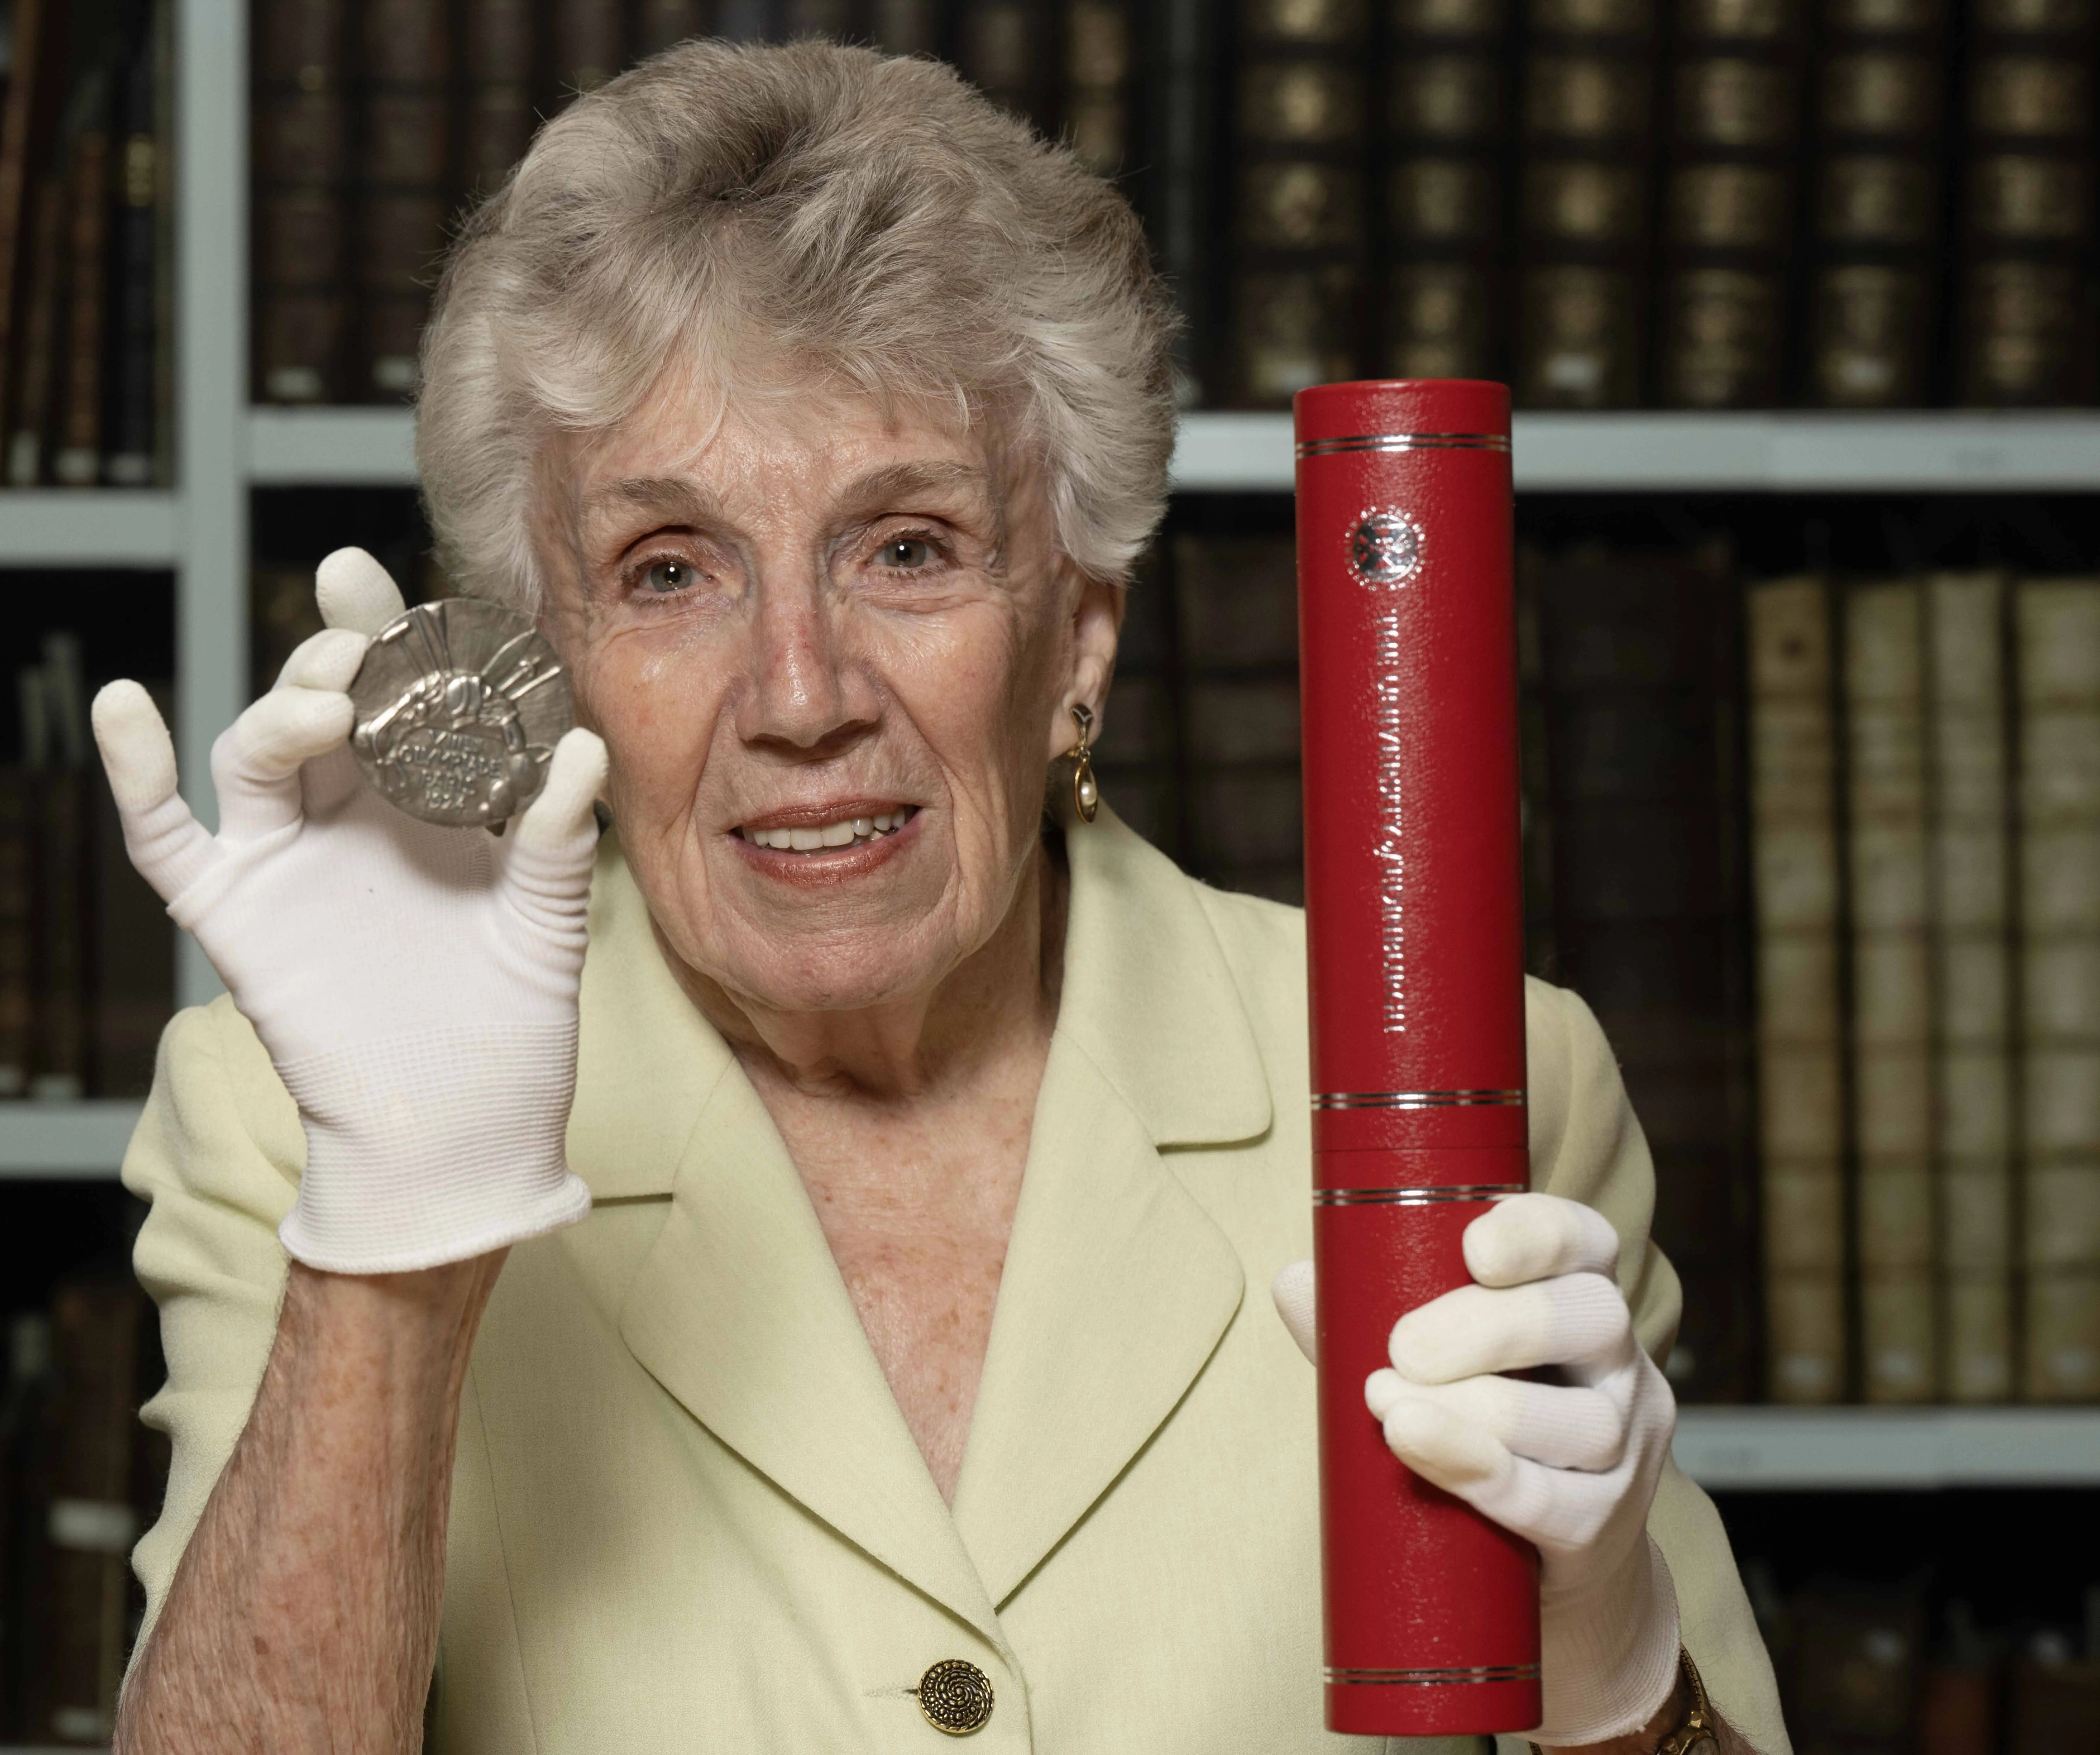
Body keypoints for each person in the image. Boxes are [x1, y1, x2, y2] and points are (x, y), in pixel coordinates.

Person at [98, 39, 1788, 1755]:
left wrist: (1614, 1666)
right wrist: (394, 1231)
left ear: (1082, 640)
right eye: (667, 570)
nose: (799, 689)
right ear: (553, 665)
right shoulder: (289, 1120)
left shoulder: (1478, 1082)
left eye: (903, 545)